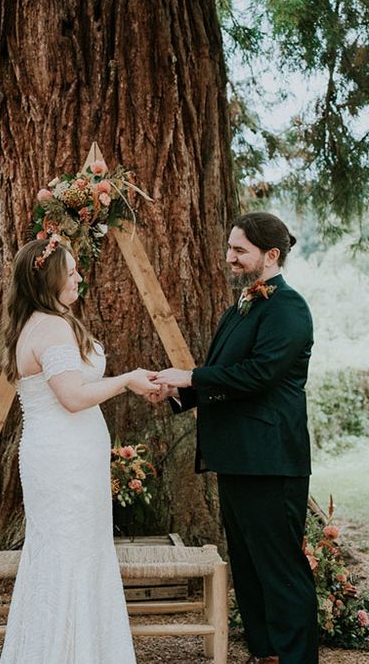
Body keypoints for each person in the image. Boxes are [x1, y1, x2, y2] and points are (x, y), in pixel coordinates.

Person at [152, 212, 318, 664]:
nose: (230, 257)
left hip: (271, 461)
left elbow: (260, 374)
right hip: (238, 459)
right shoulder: (243, 306)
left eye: (239, 250)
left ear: (271, 255)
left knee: (280, 569)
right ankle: (265, 653)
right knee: (247, 568)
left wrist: (190, 376)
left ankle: (295, 657)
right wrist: (178, 392)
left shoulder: (289, 307)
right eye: (229, 248)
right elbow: (225, 379)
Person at [0, 237, 159, 663]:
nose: (78, 277)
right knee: (69, 555)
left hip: (63, 454)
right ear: (48, 278)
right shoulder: (51, 327)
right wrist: (127, 380)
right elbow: (72, 396)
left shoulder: (38, 321)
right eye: (70, 272)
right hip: (63, 459)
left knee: (70, 554)